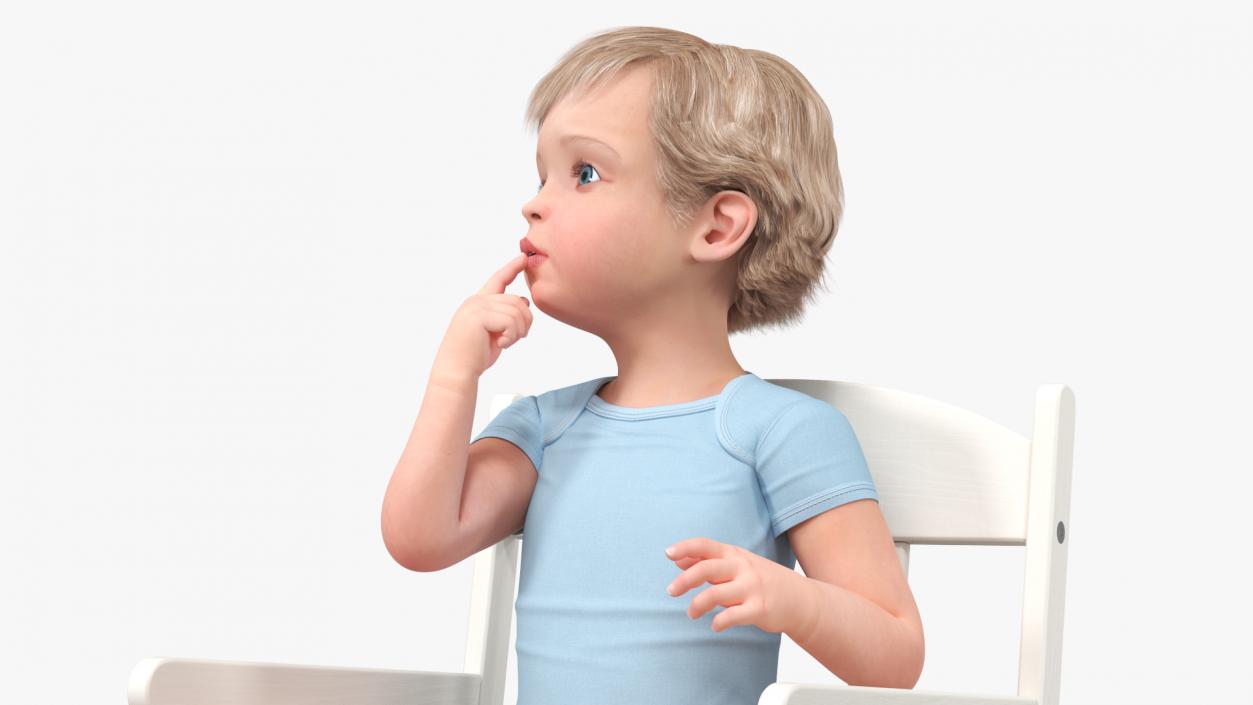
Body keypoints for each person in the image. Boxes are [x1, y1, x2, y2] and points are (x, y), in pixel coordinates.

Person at [381, 25, 924, 705]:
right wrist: (452, 378)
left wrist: (794, 599)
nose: (533, 202)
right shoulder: (545, 428)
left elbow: (896, 655)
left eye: (583, 173)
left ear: (717, 226)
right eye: (540, 174)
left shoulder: (780, 431)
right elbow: (418, 538)